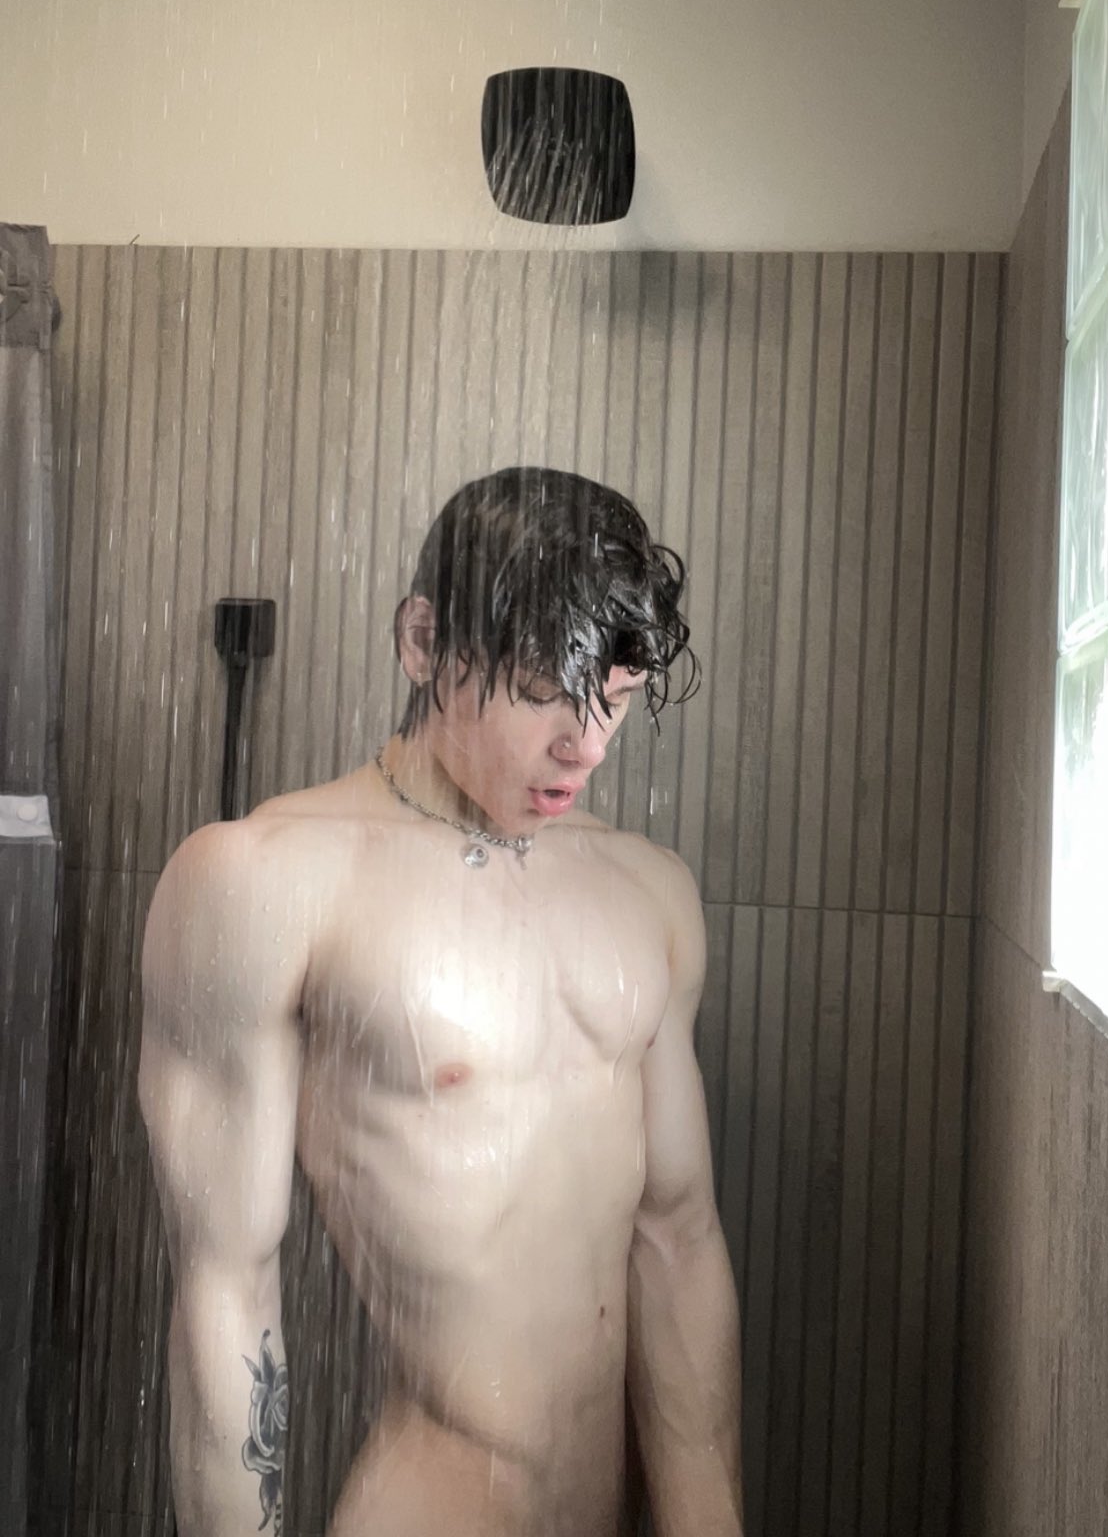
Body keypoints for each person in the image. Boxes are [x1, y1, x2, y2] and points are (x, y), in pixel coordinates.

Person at [138, 466, 743, 1537]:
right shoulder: (267, 882)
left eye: (613, 697)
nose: (586, 744)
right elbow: (226, 1288)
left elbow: (679, 1241)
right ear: (423, 640)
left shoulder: (647, 893)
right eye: (545, 690)